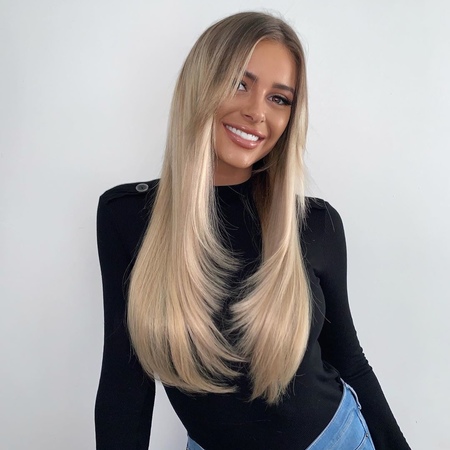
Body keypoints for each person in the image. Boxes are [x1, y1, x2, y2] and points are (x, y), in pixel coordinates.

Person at [95, 11, 410, 450]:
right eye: (239, 84)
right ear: (200, 84)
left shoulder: (314, 224)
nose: (257, 112)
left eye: (279, 98)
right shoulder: (127, 217)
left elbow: (349, 360)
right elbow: (125, 379)